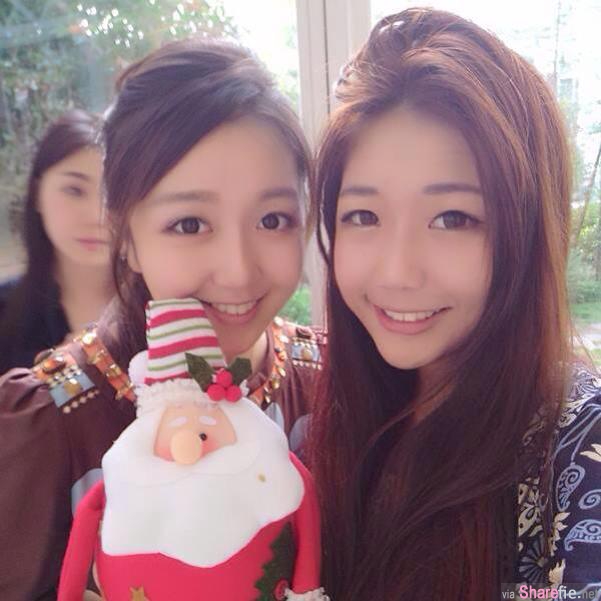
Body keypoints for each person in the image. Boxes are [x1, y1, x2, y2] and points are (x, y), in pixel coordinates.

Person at [0, 39, 324, 601]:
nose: (238, 271)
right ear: (124, 236)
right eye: (190, 224)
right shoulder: (51, 428)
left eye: (273, 219)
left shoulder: (327, 381)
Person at [309, 8, 601, 601]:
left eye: (452, 219)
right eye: (363, 215)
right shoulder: (332, 421)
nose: (397, 272)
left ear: (526, 235)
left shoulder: (578, 444)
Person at [0, 109, 112, 374]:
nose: (96, 216)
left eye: (114, 194)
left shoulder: (167, 308)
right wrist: (45, 381)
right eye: (74, 190)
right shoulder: (5, 311)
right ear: (38, 193)